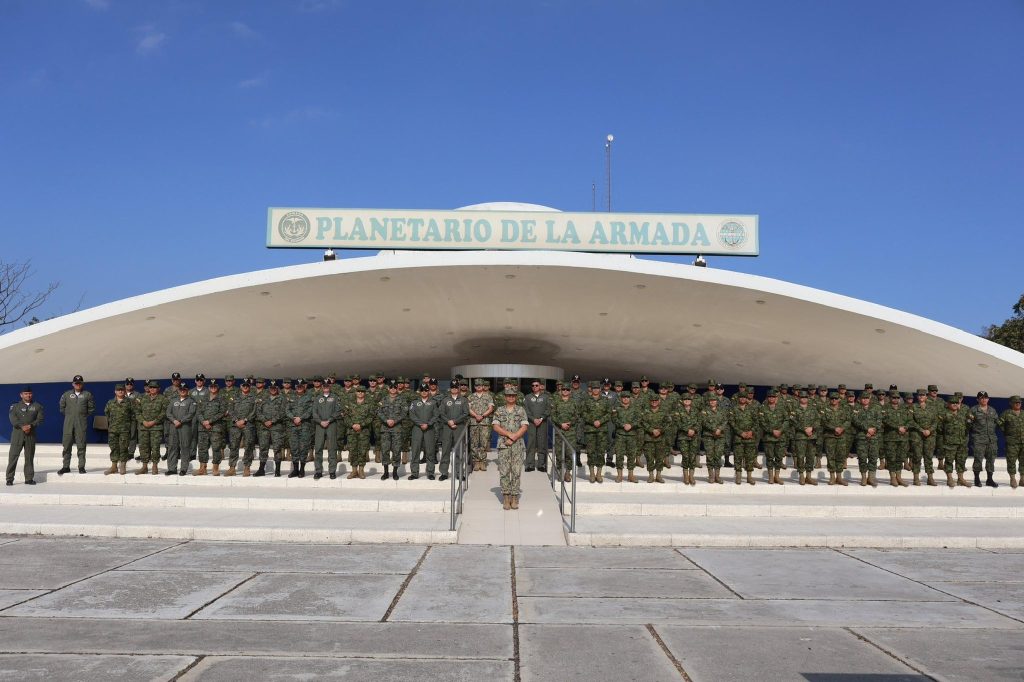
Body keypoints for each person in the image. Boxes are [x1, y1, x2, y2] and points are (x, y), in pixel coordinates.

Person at [493, 386, 528, 510]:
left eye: (513, 395)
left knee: (516, 472)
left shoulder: (521, 410)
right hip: (503, 445)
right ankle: (506, 497)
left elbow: (524, 426)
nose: (511, 397)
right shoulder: (499, 410)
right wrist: (509, 435)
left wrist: (514, 437)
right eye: (509, 395)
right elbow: (496, 426)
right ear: (505, 397)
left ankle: (514, 497)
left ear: (516, 397)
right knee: (504, 472)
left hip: (517, 445)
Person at [59, 374, 94, 474]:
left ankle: (81, 467)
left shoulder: (87, 394)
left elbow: (91, 409)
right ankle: (66, 466)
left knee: (81, 445)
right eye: (76, 383)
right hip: (68, 423)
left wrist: (81, 416)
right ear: (73, 384)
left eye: (80, 383)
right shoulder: (66, 394)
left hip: (81, 423)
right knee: (66, 445)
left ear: (82, 384)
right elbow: (62, 408)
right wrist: (70, 415)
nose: (78, 385)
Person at [7, 386, 42, 486]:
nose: (28, 395)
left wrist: (30, 426)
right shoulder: (15, 406)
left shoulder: (37, 406)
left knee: (29, 457)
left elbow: (40, 419)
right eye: (26, 393)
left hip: (30, 435)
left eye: (30, 393)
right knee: (13, 456)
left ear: (32, 394)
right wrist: (22, 426)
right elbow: (12, 419)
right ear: (21, 395)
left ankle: (29, 478)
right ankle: (9, 478)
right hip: (17, 435)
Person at [438, 379, 469, 482]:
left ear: (459, 388)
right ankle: (444, 472)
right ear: (450, 388)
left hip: (459, 427)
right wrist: (449, 422)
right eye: (453, 387)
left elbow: (466, 413)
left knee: (459, 451)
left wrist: (455, 421)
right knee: (445, 450)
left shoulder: (463, 400)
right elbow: (441, 413)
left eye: (456, 387)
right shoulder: (445, 400)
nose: (454, 389)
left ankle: (459, 473)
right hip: (447, 427)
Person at [311, 378, 342, 480]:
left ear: (330, 386)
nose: (325, 387)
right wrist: (320, 421)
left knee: (332, 448)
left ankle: (332, 471)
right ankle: (318, 471)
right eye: (324, 386)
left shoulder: (335, 398)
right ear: (322, 387)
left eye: (327, 386)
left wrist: (329, 420)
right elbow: (314, 412)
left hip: (331, 424)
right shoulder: (317, 398)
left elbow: (338, 411)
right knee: (318, 448)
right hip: (319, 425)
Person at [195, 380, 228, 476]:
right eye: (211, 387)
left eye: (215, 387)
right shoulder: (203, 398)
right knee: (202, 448)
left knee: (216, 448)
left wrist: (209, 421)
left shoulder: (222, 399)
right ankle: (202, 468)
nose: (213, 388)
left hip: (215, 427)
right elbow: (198, 412)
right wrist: (204, 422)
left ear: (217, 388)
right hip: (202, 427)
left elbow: (221, 413)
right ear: (209, 388)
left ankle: (215, 468)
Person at [255, 380, 287, 477]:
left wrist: (272, 421)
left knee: (277, 448)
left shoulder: (282, 399)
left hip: (276, 427)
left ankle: (277, 470)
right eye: (271, 388)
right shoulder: (263, 398)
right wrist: (265, 420)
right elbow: (258, 411)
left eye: (275, 388)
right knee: (263, 448)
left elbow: (283, 412)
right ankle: (261, 469)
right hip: (264, 427)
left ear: (277, 389)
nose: (273, 390)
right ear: (269, 389)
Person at [135, 380, 167, 475]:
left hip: (156, 427)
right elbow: (137, 412)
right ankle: (144, 467)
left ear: (158, 389)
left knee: (155, 447)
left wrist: (154, 421)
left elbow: (164, 412)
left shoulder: (163, 399)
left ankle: (154, 466)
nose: (152, 389)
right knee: (143, 447)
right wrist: (143, 421)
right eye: (151, 387)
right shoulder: (142, 398)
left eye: (154, 387)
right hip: (144, 427)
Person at [969, 391, 1000, 488]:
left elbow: (997, 422)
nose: (984, 399)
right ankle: (977, 479)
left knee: (991, 459)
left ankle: (989, 479)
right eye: (981, 398)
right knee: (978, 459)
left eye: (986, 398)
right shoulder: (973, 410)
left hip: (991, 439)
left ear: (988, 399)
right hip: (979, 439)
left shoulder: (992, 410)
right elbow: (969, 424)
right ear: (978, 399)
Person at [408, 384, 439, 480]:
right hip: (417, 429)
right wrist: (421, 423)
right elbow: (411, 415)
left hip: (429, 429)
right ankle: (414, 473)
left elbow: (436, 415)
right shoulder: (414, 402)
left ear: (428, 391)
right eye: (422, 390)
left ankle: (430, 473)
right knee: (415, 451)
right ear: (420, 392)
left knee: (430, 451)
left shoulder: (433, 402)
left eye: (426, 390)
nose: (424, 392)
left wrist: (428, 424)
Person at [103, 384, 134, 476]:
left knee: (123, 447)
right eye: (118, 390)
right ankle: (114, 466)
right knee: (113, 447)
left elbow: (133, 415)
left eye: (122, 390)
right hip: (113, 429)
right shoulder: (110, 402)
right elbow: (107, 413)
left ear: (124, 391)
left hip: (124, 429)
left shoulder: (130, 402)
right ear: (115, 391)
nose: (120, 391)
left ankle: (123, 465)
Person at [550, 384, 578, 482]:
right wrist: (561, 424)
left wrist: (570, 423)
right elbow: (553, 415)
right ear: (561, 391)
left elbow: (577, 415)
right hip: (559, 431)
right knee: (559, 452)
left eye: (567, 389)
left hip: (570, 432)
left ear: (570, 391)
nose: (565, 391)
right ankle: (560, 471)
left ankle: (568, 473)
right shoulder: (556, 402)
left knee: (569, 453)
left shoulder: (574, 403)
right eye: (564, 389)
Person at [611, 392, 642, 483]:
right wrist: (623, 425)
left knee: (631, 455)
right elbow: (614, 419)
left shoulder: (635, 408)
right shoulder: (616, 408)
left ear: (630, 398)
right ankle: (619, 475)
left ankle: (631, 475)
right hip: (620, 434)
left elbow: (639, 419)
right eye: (623, 397)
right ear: (621, 398)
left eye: (627, 397)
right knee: (619, 455)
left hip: (632, 435)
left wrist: (631, 425)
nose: (625, 399)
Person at [165, 384, 196, 475]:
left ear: (187, 390)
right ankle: (172, 468)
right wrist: (174, 420)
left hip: (185, 427)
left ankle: (183, 469)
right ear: (178, 390)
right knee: (172, 447)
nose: (182, 391)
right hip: (173, 426)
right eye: (181, 389)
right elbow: (168, 412)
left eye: (184, 389)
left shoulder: (191, 401)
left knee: (185, 447)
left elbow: (191, 413)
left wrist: (181, 421)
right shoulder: (173, 400)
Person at [377, 380, 405, 480]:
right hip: (385, 428)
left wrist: (395, 420)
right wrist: (386, 420)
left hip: (397, 429)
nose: (393, 389)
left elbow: (404, 412)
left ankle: (395, 472)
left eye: (395, 387)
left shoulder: (402, 400)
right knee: (385, 450)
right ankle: (385, 472)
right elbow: (379, 412)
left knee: (397, 451)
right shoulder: (383, 400)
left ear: (397, 389)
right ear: (388, 388)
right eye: (391, 387)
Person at [345, 384, 374, 479]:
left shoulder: (369, 404)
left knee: (362, 451)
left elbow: (371, 417)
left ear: (365, 393)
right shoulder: (350, 403)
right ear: (356, 392)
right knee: (353, 450)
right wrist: (352, 425)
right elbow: (345, 416)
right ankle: (354, 471)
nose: (360, 393)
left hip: (363, 431)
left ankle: (361, 470)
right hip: (352, 431)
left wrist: (361, 425)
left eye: (362, 391)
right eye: (358, 391)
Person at [524, 379, 552, 472]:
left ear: (540, 386)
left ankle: (541, 464)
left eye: (536, 385)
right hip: (531, 423)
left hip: (542, 423)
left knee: (542, 443)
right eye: (533, 385)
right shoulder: (527, 397)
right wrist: (533, 419)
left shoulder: (546, 397)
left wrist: (541, 418)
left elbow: (548, 409)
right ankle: (529, 465)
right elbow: (526, 410)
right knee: (531, 443)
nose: (534, 387)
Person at [468, 379, 495, 471]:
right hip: (474, 422)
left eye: (480, 385)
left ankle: (482, 461)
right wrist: (476, 415)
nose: (478, 386)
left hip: (484, 423)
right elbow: (469, 408)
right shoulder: (471, 397)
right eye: (477, 385)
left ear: (483, 386)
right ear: (474, 387)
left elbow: (490, 408)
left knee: (484, 443)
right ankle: (476, 462)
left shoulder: (488, 397)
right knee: (474, 443)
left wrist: (482, 415)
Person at [701, 394, 728, 484]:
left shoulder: (722, 411)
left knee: (718, 455)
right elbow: (704, 422)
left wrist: (719, 429)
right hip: (708, 436)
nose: (712, 402)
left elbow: (725, 421)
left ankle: (717, 476)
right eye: (711, 400)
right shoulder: (704, 411)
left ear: (717, 401)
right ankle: (711, 476)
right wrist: (714, 429)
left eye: (714, 400)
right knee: (710, 455)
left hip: (720, 436)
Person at [999, 396, 1024, 489]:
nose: (1018, 404)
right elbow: (999, 423)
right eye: (1015, 402)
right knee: (1011, 461)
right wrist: (1006, 432)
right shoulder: (1006, 413)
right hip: (1012, 442)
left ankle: (1022, 479)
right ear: (1011, 403)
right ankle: (1012, 479)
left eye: (1019, 402)